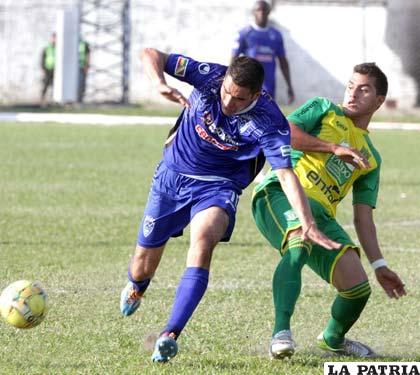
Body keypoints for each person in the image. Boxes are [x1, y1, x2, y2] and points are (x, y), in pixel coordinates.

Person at [119, 47, 340, 363]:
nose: (227, 102)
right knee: (143, 263)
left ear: (255, 94)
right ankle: (137, 287)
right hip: (172, 178)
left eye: (238, 99)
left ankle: (170, 334)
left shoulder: (269, 120)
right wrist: (158, 82)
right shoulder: (209, 76)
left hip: (218, 187)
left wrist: (307, 223)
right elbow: (150, 53)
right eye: (226, 93)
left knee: (203, 243)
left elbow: (285, 172)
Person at [252, 62, 407, 359]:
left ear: (378, 101)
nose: (353, 93)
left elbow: (364, 218)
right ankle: (280, 334)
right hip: (280, 192)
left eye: (363, 89)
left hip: (321, 215)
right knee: (299, 244)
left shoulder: (371, 158)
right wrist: (333, 147)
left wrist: (379, 265)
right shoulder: (323, 109)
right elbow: (285, 133)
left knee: (358, 288)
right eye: (350, 86)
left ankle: (333, 339)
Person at [232, 0, 294, 104]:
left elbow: (283, 62)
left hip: (269, 87)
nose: (261, 13)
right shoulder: (245, 33)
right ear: (253, 12)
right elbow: (234, 59)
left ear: (269, 12)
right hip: (249, 84)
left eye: (264, 10)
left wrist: (289, 85)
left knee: (267, 116)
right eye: (258, 10)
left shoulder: (276, 35)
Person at [40, 33, 56, 105]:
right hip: (47, 68)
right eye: (53, 38)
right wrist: (43, 69)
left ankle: (54, 100)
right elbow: (42, 59)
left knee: (54, 85)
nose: (54, 40)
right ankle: (42, 99)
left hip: (55, 69)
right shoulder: (47, 48)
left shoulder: (59, 48)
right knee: (45, 84)